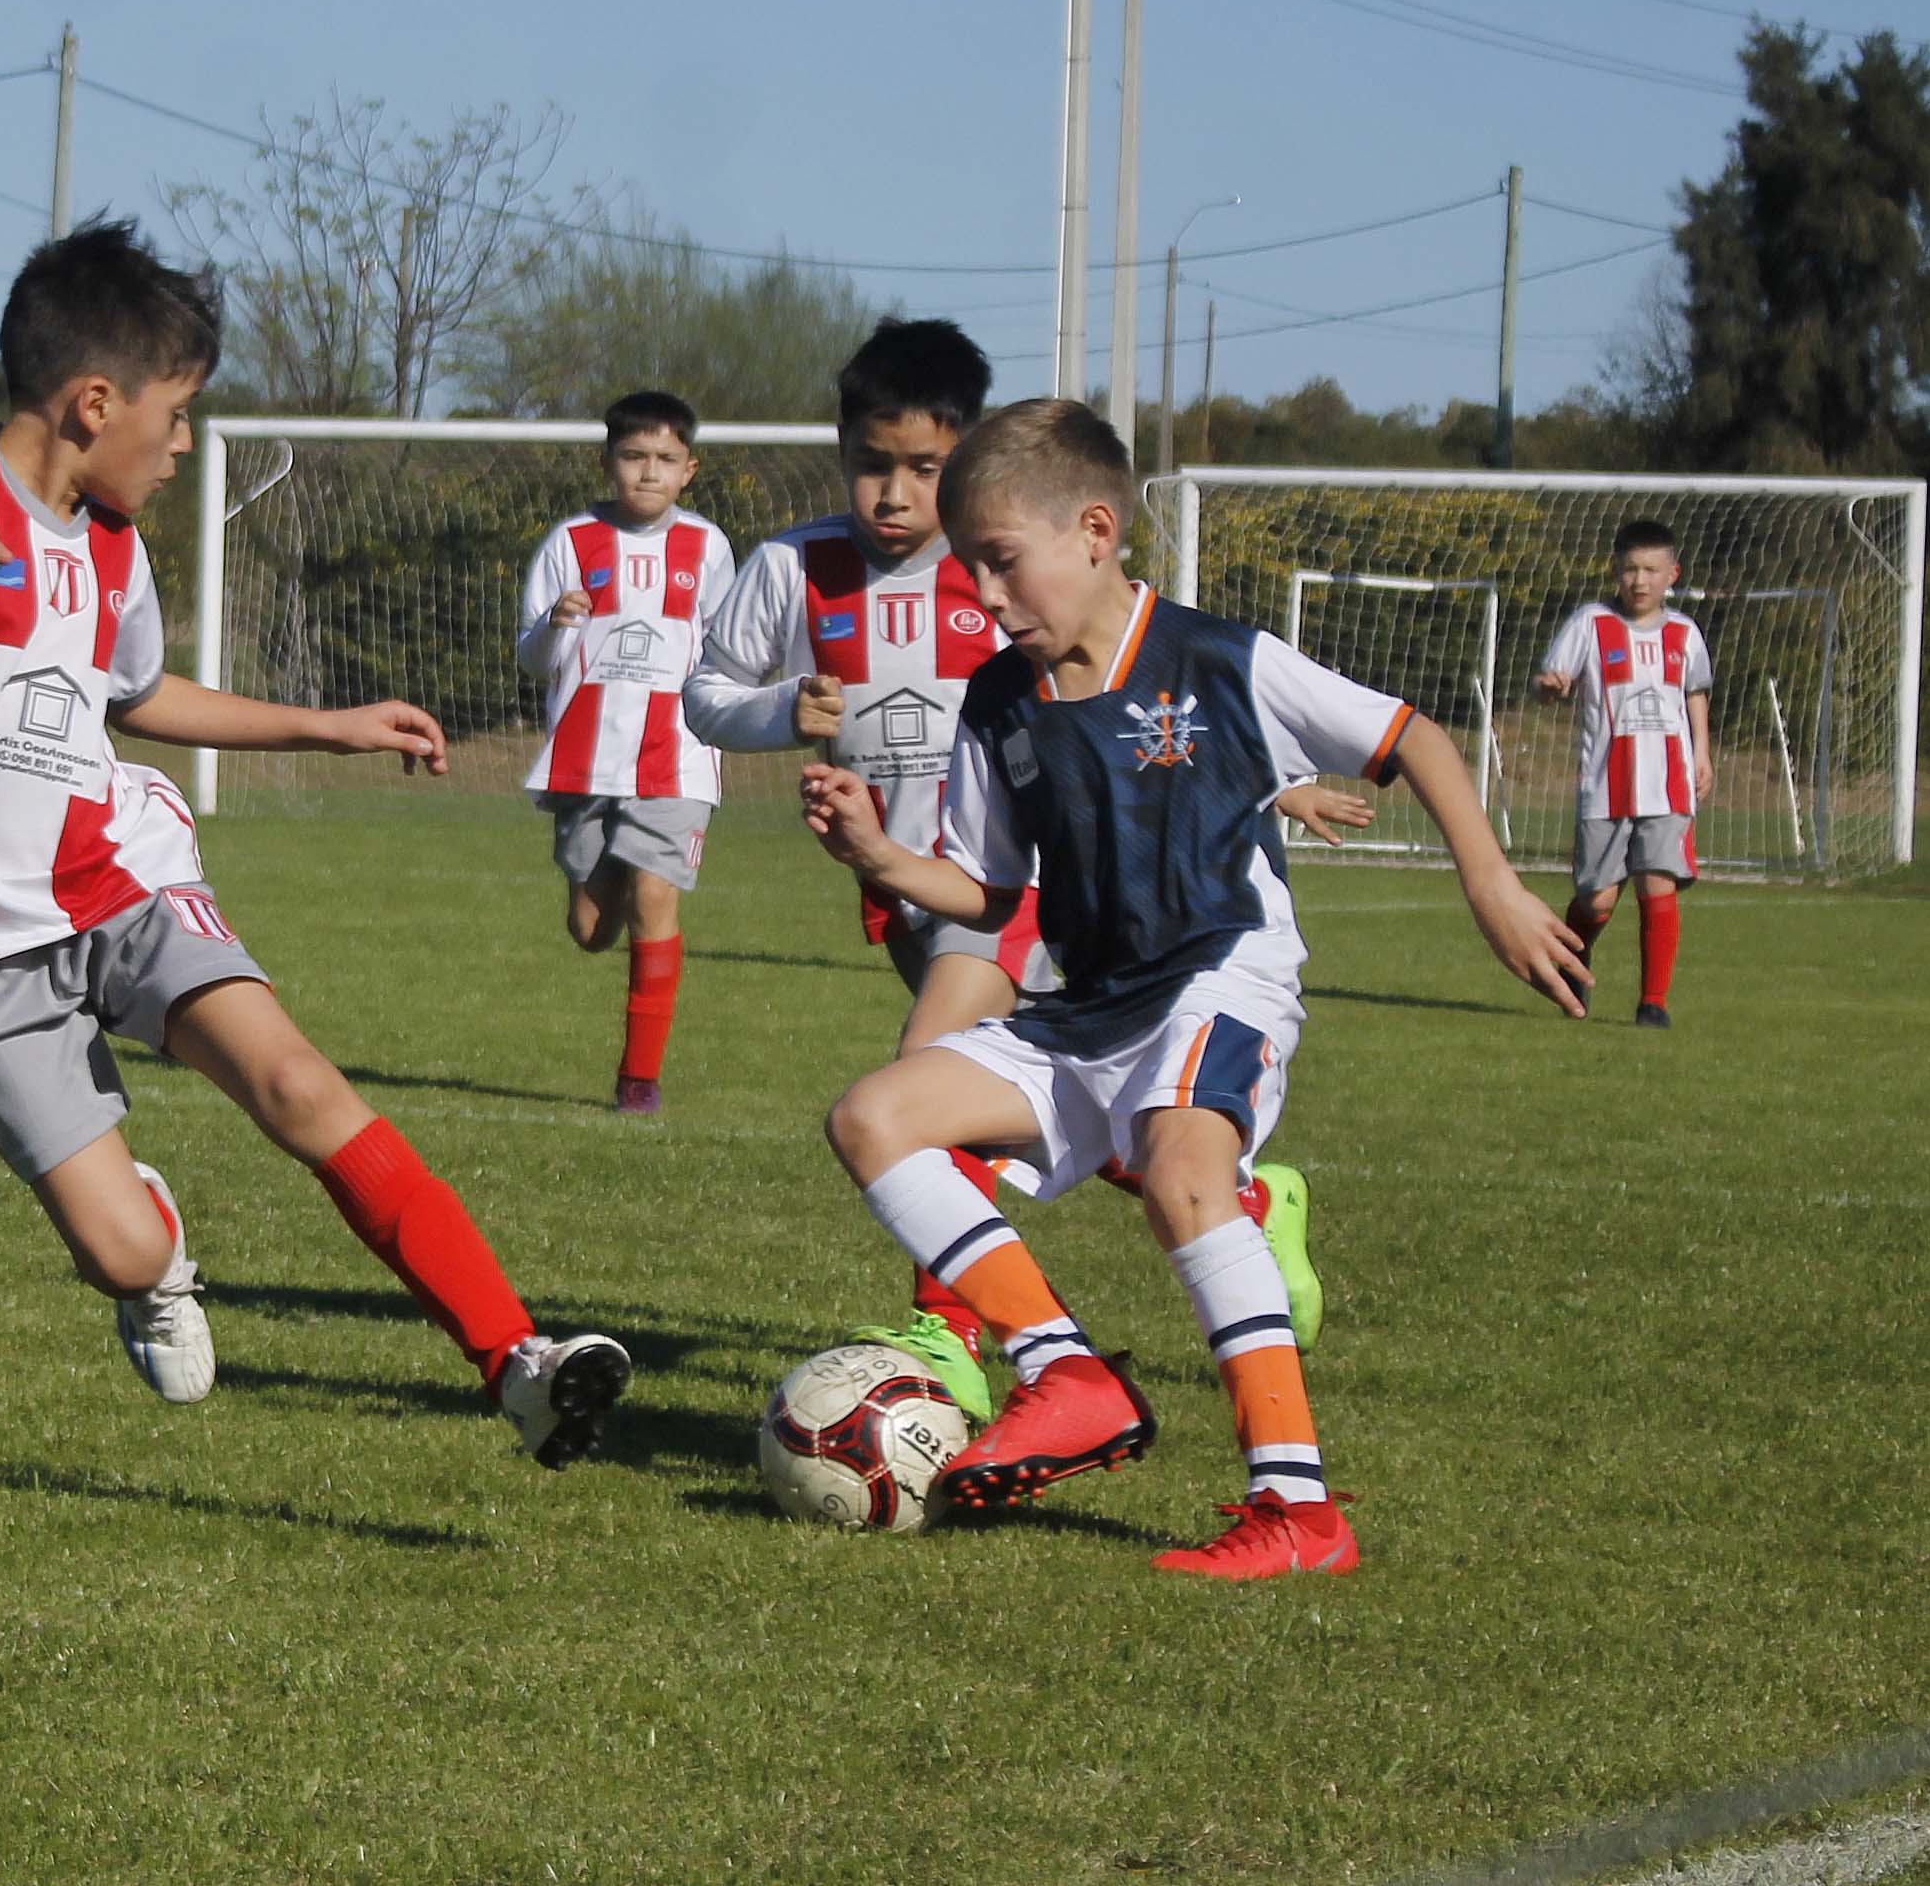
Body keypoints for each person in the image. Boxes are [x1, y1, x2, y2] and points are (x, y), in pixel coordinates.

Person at [0, 217, 633, 1468]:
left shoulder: (111, 546)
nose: (186, 442)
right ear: (96, 402)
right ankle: (158, 1259)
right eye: (180, 412)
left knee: (298, 1084)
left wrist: (326, 724)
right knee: (119, 1250)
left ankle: (515, 1359)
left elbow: (137, 698)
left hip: (116, 874)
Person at [804, 399, 1586, 1578]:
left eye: (1003, 563)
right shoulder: (999, 704)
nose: (987, 595)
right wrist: (878, 857)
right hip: (1091, 1004)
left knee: (1180, 1171)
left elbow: (1410, 736)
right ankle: (1066, 1373)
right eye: (971, 568)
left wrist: (1490, 881)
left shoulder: (1221, 661)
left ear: (1097, 531)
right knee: (875, 1117)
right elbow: (983, 888)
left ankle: (1297, 1509)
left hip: (1220, 972)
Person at [687, 322, 1352, 1369]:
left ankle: (952, 1346)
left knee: (918, 1089)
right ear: (841, 451)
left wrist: (1280, 778)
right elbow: (706, 696)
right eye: (873, 466)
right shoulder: (792, 566)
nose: (897, 494)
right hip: (913, 882)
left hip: (1026, 884)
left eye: (926, 469)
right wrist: (780, 710)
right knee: (1066, 1104)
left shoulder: (1001, 559)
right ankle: (1251, 1199)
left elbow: (1142, 679)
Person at [512, 389, 733, 1114]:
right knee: (589, 929)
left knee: (655, 894)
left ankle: (639, 1079)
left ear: (689, 470)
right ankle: (593, 872)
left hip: (679, 755)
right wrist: (553, 623)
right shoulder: (570, 543)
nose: (648, 472)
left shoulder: (707, 548)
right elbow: (535, 660)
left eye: (665, 459)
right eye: (634, 456)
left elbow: (726, 656)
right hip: (586, 757)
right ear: (608, 461)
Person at [1532, 519, 1710, 1028]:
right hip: (1604, 786)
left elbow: (1694, 692)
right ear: (1616, 571)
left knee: (1659, 884)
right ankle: (1574, 958)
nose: (1640, 580)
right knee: (1599, 898)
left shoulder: (1684, 633)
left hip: (1669, 784)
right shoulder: (1590, 622)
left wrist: (1702, 753)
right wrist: (1550, 686)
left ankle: (1653, 1003)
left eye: (1652, 570)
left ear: (1672, 573)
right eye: (1631, 569)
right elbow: (1550, 684)